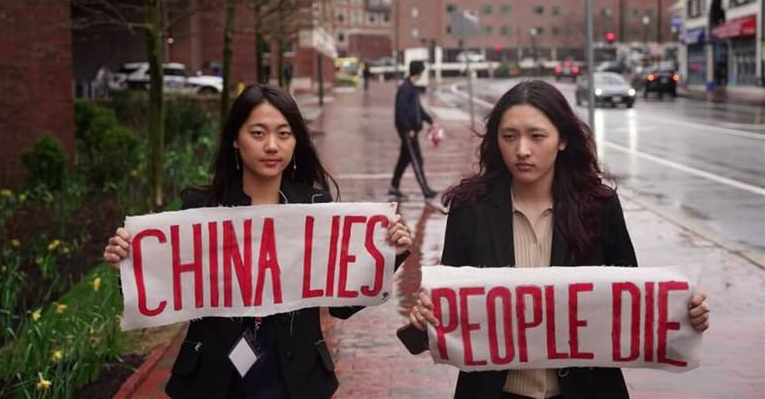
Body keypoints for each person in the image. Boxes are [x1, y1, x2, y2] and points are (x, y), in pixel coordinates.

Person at [104, 84, 411, 399]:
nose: (272, 146)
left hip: (293, 375)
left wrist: (390, 254)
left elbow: (340, 307)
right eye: (258, 133)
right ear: (236, 140)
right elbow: (163, 288)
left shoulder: (315, 205)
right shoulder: (202, 207)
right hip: (215, 376)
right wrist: (127, 262)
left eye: (283, 134)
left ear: (295, 141)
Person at [407, 79, 709, 399]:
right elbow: (447, 318)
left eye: (537, 136)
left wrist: (685, 317)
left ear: (562, 139)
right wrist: (422, 323)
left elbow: (634, 308)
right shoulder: (470, 209)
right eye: (509, 137)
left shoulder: (599, 206)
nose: (522, 150)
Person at [388, 60, 437, 201]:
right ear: (419, 72)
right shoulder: (405, 88)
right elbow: (401, 110)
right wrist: (408, 128)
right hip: (408, 131)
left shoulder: (411, 86)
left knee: (404, 159)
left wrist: (429, 120)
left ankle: (394, 187)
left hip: (411, 130)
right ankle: (425, 190)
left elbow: (417, 109)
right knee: (417, 160)